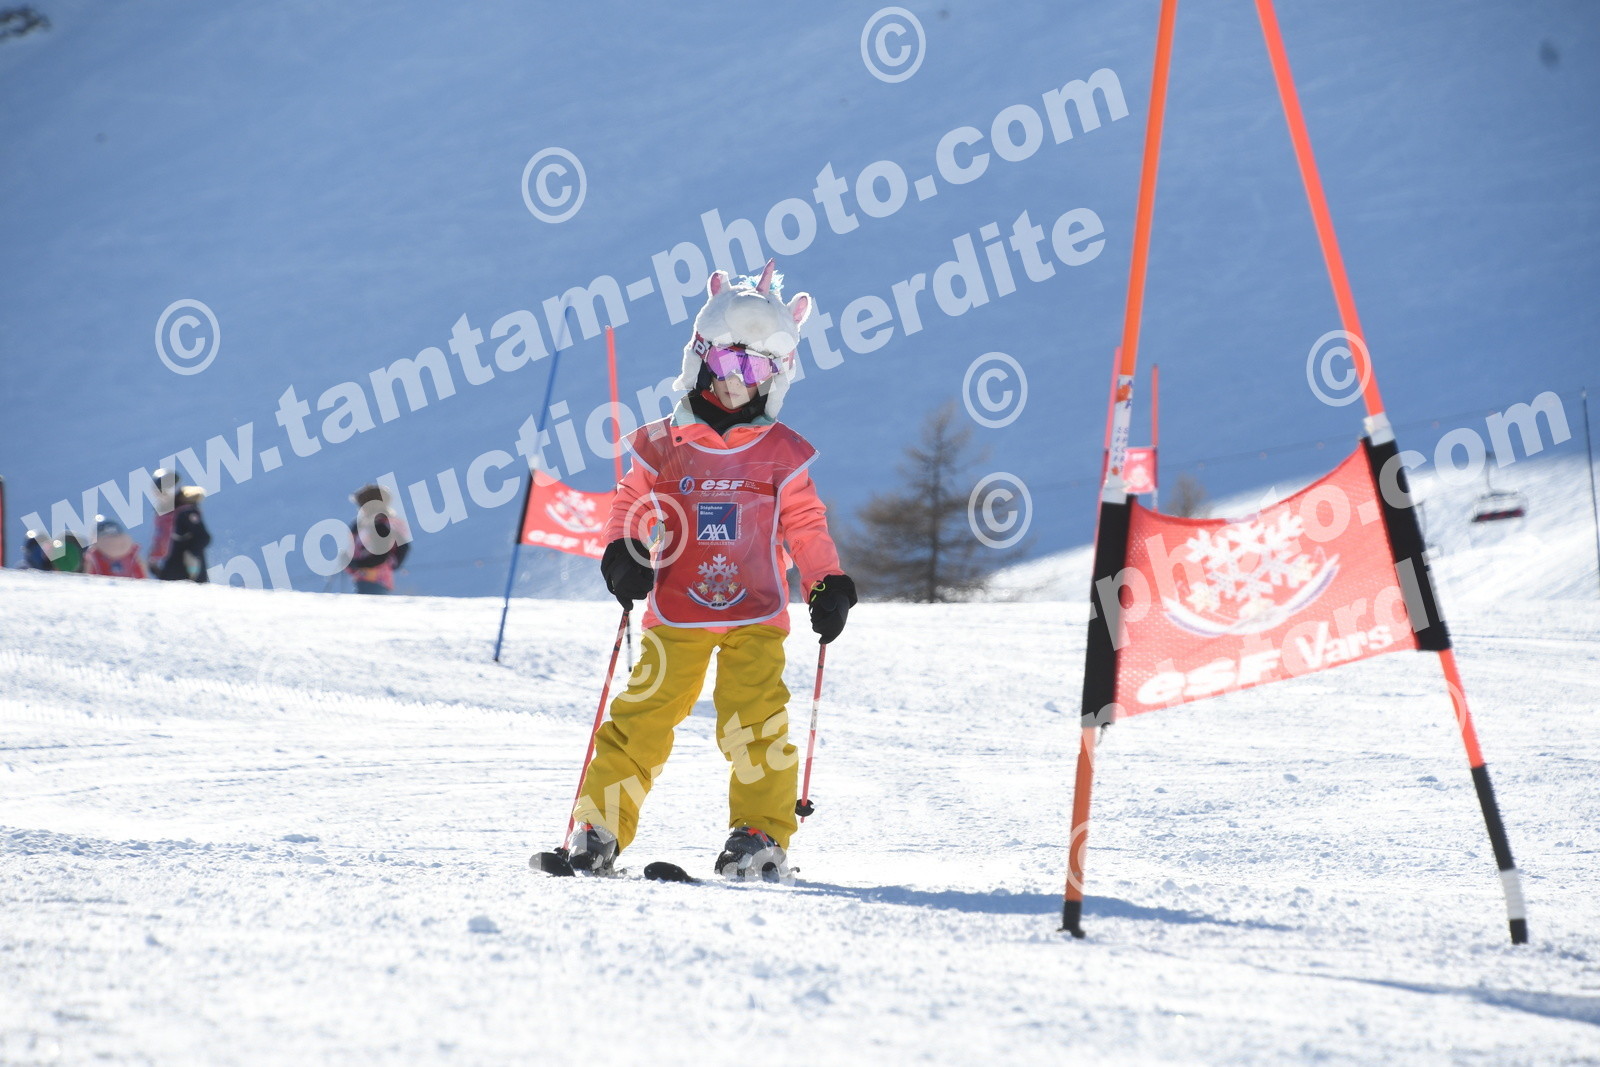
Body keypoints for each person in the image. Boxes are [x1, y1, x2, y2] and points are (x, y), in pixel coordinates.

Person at [564, 260, 857, 881]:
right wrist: (624, 551)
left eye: (754, 370)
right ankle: (599, 828)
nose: (734, 382)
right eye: (725, 362)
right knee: (641, 718)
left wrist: (826, 583)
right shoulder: (664, 444)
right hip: (676, 610)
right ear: (700, 358)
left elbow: (804, 524)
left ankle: (760, 833)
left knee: (755, 722)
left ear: (776, 376)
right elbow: (631, 502)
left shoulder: (781, 453)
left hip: (756, 612)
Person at [147, 468, 212, 582]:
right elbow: (161, 537)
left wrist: (191, 555)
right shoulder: (162, 512)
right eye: (157, 492)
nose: (160, 496)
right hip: (169, 567)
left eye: (163, 491)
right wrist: (153, 559)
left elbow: (203, 537)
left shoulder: (186, 511)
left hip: (188, 570)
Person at [346, 484, 410, 593]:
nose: (360, 509)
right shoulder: (386, 524)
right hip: (378, 579)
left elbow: (380, 555)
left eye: (362, 504)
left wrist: (356, 564)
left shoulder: (378, 526)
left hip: (372, 579)